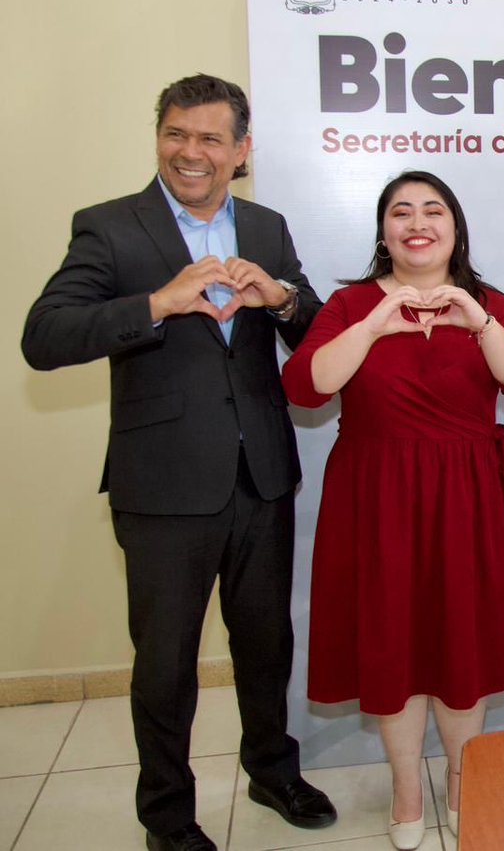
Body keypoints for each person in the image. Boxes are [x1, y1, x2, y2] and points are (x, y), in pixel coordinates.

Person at [21, 74, 335, 851]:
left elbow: (320, 338)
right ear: (159, 134)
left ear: (241, 150)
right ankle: (167, 814)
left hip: (262, 474)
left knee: (266, 643)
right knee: (164, 663)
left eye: (209, 139)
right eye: (175, 133)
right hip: (161, 484)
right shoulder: (110, 227)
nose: (190, 152)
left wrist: (284, 299)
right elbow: (45, 335)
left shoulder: (265, 226)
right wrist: (158, 303)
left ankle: (271, 768)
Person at [281, 171, 504, 849]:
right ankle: (406, 789)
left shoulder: (486, 301)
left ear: (456, 228)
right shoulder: (349, 305)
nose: (417, 222)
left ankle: (463, 783)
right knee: (393, 648)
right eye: (401, 212)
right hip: (376, 498)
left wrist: (477, 316)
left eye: (433, 210)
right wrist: (376, 321)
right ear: (383, 232)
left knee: (462, 647)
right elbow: (306, 389)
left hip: (467, 495)